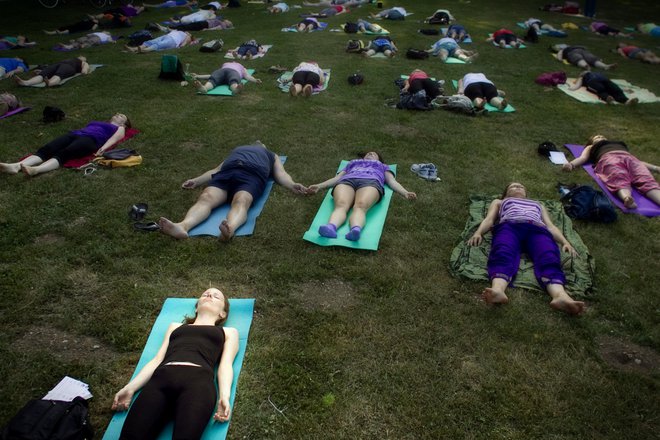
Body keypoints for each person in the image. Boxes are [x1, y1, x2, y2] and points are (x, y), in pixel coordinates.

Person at [112, 288, 239, 440]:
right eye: (205, 294)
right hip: (161, 380)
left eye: (216, 296)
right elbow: (157, 359)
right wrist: (130, 388)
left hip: (198, 384)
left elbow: (225, 365)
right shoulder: (176, 327)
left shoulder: (229, 332)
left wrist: (224, 396)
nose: (209, 295)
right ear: (197, 307)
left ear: (222, 313)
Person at [467, 182, 585, 315]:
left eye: (521, 186)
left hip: (537, 230)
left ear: (526, 193)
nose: (517, 187)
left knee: (548, 255)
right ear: (505, 193)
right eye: (513, 186)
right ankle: (498, 290)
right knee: (503, 251)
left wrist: (565, 242)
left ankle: (560, 296)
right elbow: (489, 220)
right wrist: (478, 233)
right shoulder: (500, 201)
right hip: (509, 227)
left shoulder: (538, 204)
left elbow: (550, 226)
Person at [158, 142, 307, 240]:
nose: (258, 142)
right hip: (227, 172)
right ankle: (182, 227)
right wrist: (196, 181)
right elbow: (216, 169)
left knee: (242, 200)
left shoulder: (270, 154)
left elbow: (281, 174)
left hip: (251, 175)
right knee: (206, 197)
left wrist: (292, 184)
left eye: (260, 143)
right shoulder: (238, 150)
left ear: (263, 145)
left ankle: (230, 229)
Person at [308, 151, 416, 241]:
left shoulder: (383, 166)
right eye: (369, 153)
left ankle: (355, 229)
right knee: (341, 204)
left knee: (361, 205)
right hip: (347, 181)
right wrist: (319, 186)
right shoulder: (352, 163)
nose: (370, 153)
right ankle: (330, 227)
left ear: (379, 160)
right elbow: (337, 178)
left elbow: (392, 181)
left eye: (374, 154)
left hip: (370, 182)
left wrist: (405, 192)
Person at [0, 113, 130, 177]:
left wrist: (103, 148)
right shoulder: (102, 122)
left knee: (65, 152)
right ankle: (16, 166)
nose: (118, 114)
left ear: (124, 124)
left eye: (121, 116)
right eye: (117, 113)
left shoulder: (120, 128)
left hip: (91, 140)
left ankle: (36, 170)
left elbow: (115, 139)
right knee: (48, 148)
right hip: (76, 133)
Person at [563, 135, 660, 208]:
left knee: (644, 177)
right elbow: (583, 158)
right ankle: (627, 198)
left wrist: (656, 168)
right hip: (609, 158)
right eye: (597, 137)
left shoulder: (618, 144)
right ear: (591, 142)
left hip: (629, 158)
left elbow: (638, 161)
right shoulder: (591, 147)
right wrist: (571, 164)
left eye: (602, 136)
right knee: (618, 176)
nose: (600, 137)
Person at [568, 71, 638, 105]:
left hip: (595, 82)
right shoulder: (595, 74)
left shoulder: (583, 77)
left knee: (602, 90)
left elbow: (576, 86)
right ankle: (625, 101)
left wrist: (571, 88)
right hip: (604, 80)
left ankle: (608, 98)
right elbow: (612, 83)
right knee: (614, 89)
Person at [14, 56, 90, 87]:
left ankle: (50, 83)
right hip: (58, 64)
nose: (81, 56)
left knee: (60, 74)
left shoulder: (82, 62)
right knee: (43, 74)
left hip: (69, 67)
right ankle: (26, 82)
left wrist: (84, 70)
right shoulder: (70, 59)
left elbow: (84, 71)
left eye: (82, 57)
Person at [192, 62, 261, 94]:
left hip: (233, 72)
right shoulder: (225, 64)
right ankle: (204, 88)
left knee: (233, 80)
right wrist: (198, 76)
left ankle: (236, 89)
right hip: (222, 71)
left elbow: (247, 76)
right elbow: (211, 75)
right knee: (214, 78)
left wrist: (255, 80)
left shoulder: (242, 67)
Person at [125, 30, 193, 53]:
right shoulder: (179, 31)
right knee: (151, 41)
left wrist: (188, 36)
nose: (187, 32)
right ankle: (134, 49)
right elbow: (168, 29)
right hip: (166, 36)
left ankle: (145, 50)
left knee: (159, 44)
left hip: (173, 40)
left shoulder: (188, 36)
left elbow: (183, 44)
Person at [155, 17, 233, 32]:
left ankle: (170, 29)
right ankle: (169, 28)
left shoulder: (223, 25)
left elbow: (217, 28)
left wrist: (207, 29)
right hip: (203, 23)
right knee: (187, 26)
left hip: (204, 25)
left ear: (227, 24)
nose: (227, 20)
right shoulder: (221, 22)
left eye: (229, 21)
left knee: (188, 27)